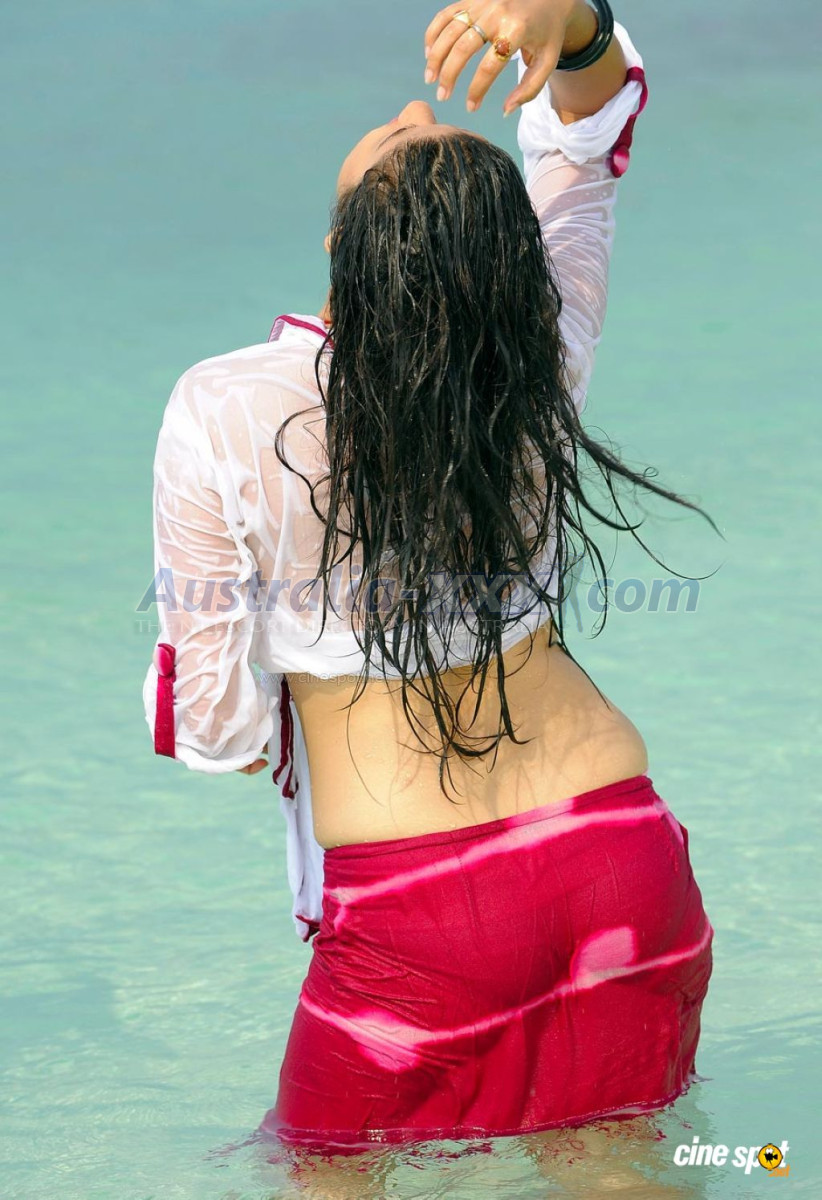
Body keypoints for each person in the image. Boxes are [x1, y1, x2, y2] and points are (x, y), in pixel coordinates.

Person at [143, 0, 714, 1152]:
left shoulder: (223, 407)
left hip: (420, 914)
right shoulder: (541, 356)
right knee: (618, 1169)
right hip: (617, 856)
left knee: (319, 1173)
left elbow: (215, 726)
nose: (413, 102)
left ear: (346, 248)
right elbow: (587, 146)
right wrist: (576, 18)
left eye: (406, 136)